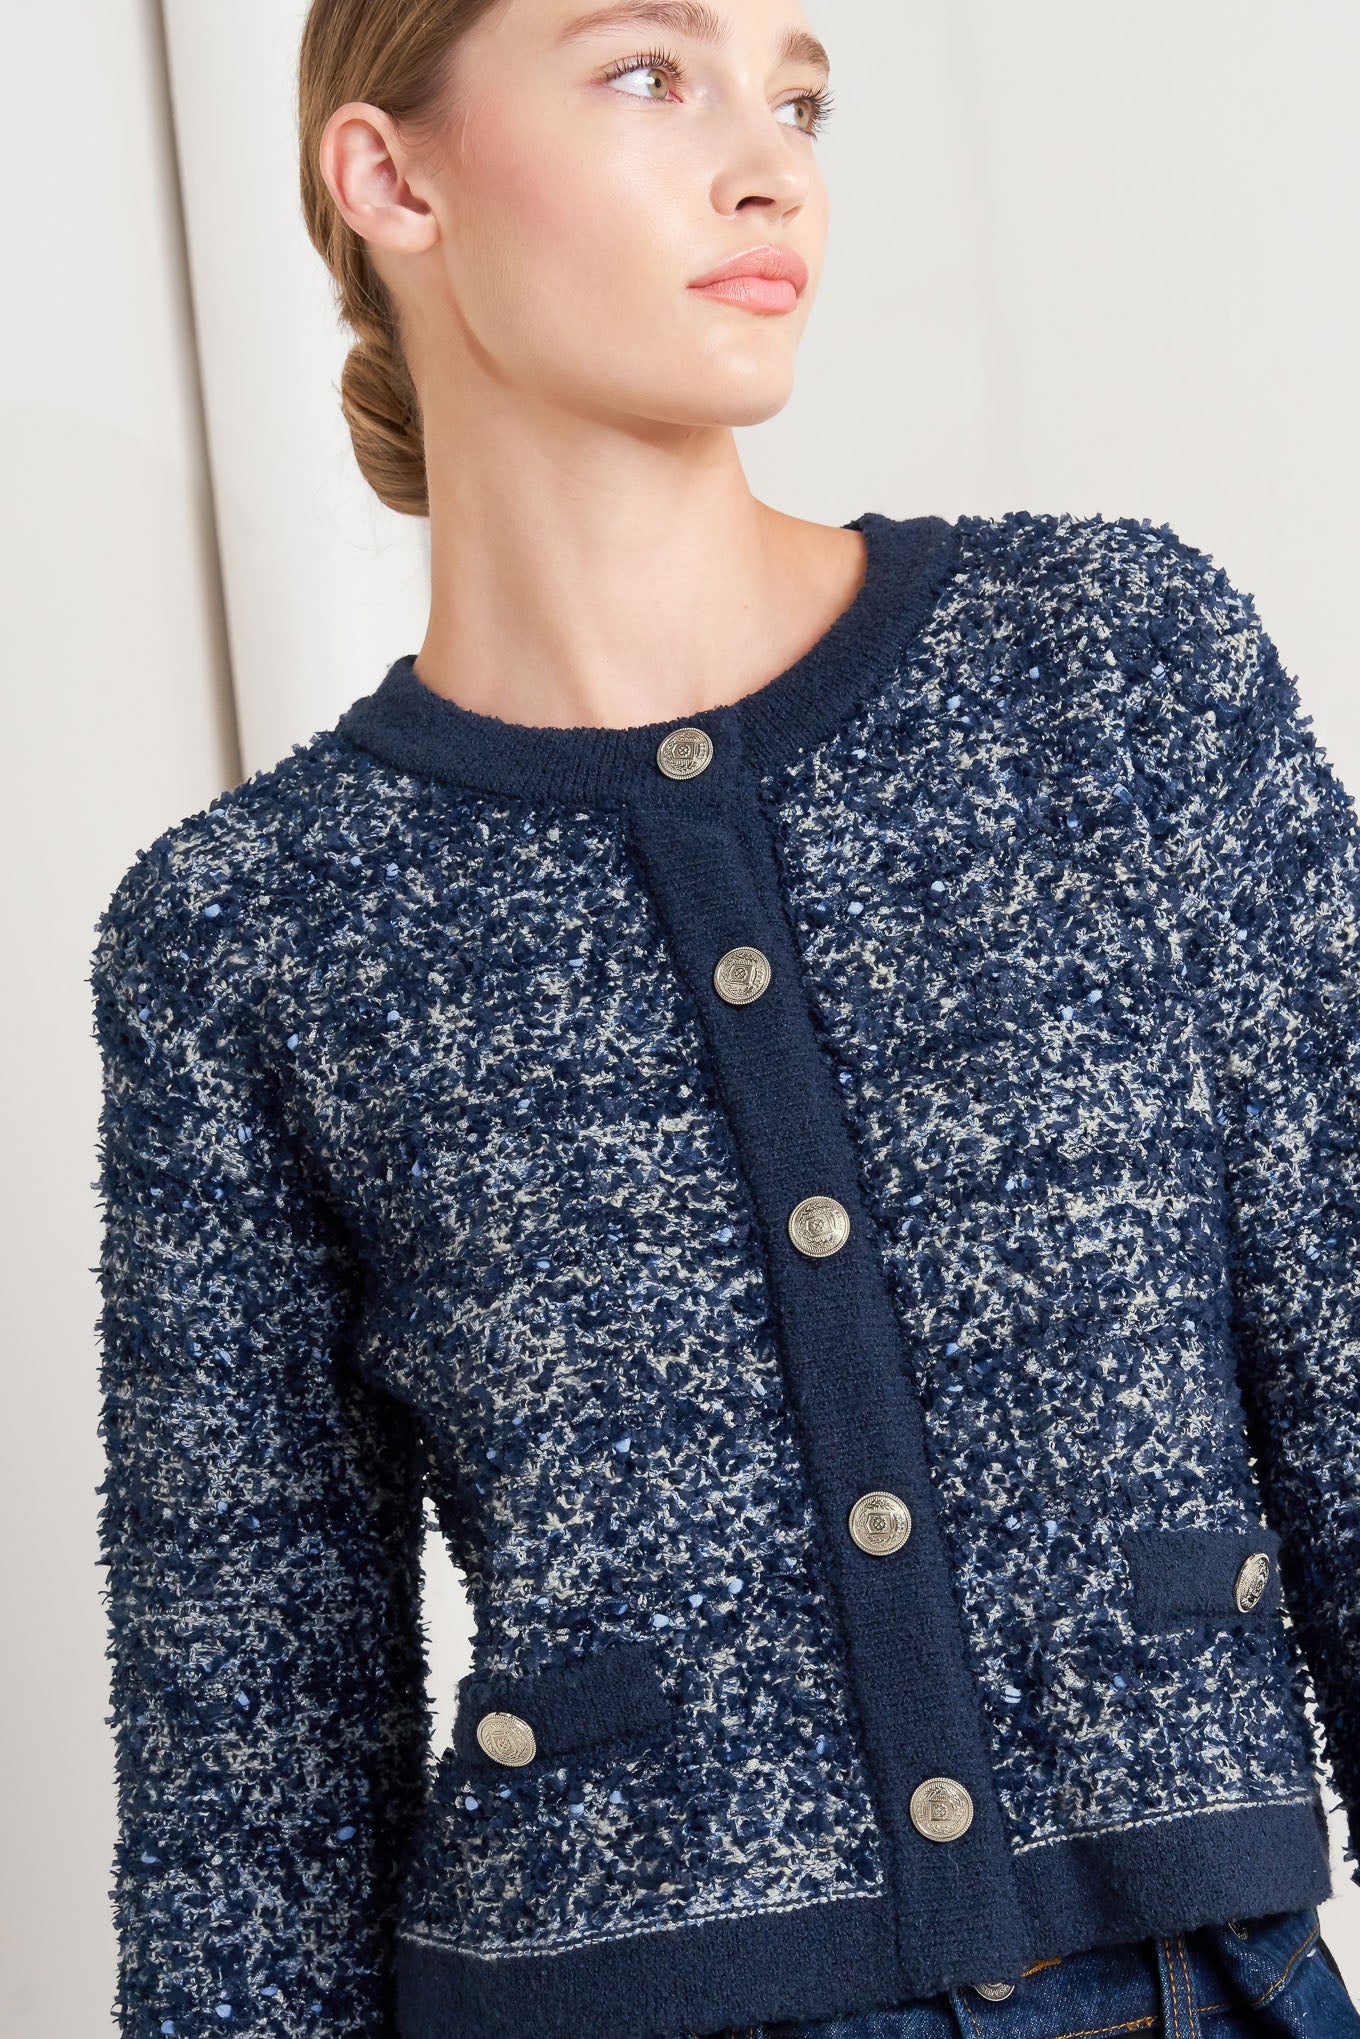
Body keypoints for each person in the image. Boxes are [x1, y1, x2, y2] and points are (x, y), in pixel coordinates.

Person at [88, 1, 1360, 2035]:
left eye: (797, 94)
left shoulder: (1112, 675)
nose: (770, 166)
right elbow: (247, 1783)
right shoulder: (253, 927)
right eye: (645, 72)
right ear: (391, 176)